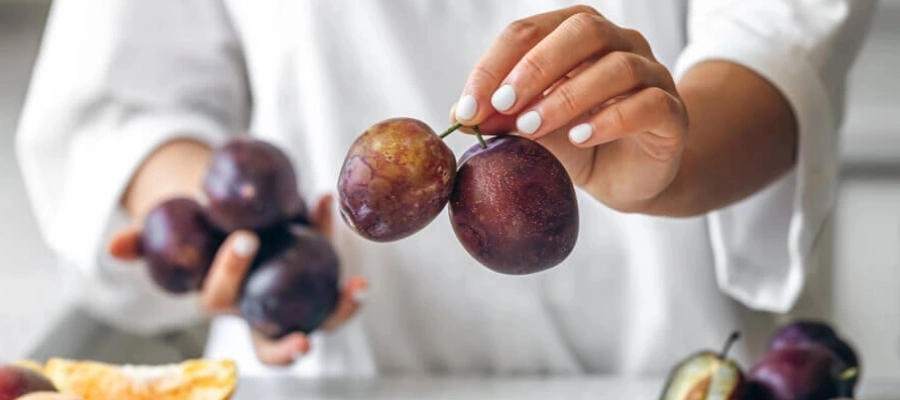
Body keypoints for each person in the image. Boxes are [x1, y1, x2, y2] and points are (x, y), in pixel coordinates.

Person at [15, 0, 876, 379]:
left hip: (657, 364)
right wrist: (237, 237)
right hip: (331, 367)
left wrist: (671, 158)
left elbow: (782, 44)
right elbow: (125, 94)